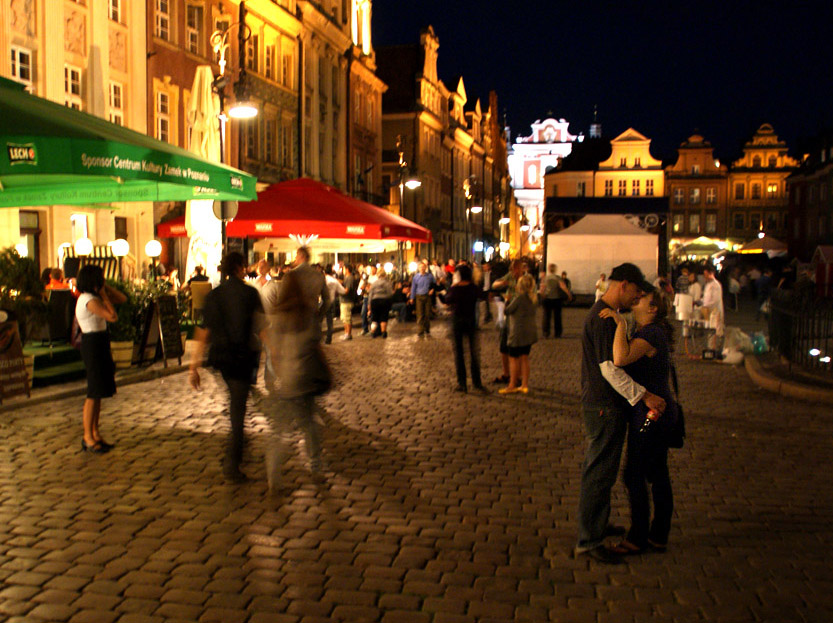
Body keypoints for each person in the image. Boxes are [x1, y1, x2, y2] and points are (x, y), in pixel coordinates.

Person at [576, 262, 666, 564]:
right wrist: (644, 396)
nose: (635, 300)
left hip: (603, 403)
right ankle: (590, 539)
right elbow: (610, 370)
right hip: (604, 404)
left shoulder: (606, 315)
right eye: (635, 293)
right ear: (623, 285)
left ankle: (596, 524)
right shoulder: (603, 319)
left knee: (603, 470)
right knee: (599, 472)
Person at [599, 288, 678, 554]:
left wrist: (620, 324)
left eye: (642, 298)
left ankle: (638, 536)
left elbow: (621, 358)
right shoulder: (652, 331)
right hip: (659, 410)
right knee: (657, 474)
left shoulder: (651, 333)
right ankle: (659, 535)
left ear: (653, 308)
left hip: (651, 414)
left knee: (635, 474)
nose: (637, 298)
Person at [189, 252, 268, 483]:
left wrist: (193, 367)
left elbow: (203, 332)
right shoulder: (249, 293)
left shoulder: (214, 296)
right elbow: (262, 328)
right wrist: (278, 354)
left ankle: (237, 450)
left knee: (237, 402)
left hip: (221, 359)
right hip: (242, 358)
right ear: (240, 268)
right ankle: (232, 463)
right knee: (237, 412)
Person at [271, 246, 331, 479]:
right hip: (308, 358)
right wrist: (318, 315)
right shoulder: (318, 277)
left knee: (281, 423)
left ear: (300, 256)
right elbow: (327, 300)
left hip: (288, 374)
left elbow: (274, 346)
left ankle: (274, 467)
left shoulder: (290, 279)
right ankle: (315, 461)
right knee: (308, 418)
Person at [75, 264, 127, 454]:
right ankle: (87, 436)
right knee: (93, 391)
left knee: (99, 391)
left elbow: (122, 298)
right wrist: (104, 295)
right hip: (92, 344)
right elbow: (112, 316)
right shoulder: (88, 300)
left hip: (100, 341)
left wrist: (106, 289)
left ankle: (95, 433)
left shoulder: (92, 296)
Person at [441, 264, 487, 394]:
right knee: (473, 353)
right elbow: (482, 295)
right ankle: (476, 382)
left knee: (459, 354)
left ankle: (462, 383)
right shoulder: (473, 288)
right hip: (471, 322)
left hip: (457, 322)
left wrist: (444, 292)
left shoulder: (455, 289)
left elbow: (446, 300)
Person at [499, 274, 538, 394]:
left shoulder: (519, 298)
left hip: (517, 333)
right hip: (529, 333)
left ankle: (512, 385)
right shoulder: (533, 298)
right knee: (525, 358)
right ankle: (524, 385)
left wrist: (506, 301)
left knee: (513, 359)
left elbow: (507, 310)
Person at [491, 260, 524, 384]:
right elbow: (495, 285)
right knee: (503, 345)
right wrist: (503, 283)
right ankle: (506, 374)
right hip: (508, 314)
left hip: (519, 317)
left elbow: (531, 297)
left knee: (517, 348)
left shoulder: (526, 279)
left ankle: (518, 377)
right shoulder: (509, 276)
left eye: (516, 269)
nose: (514, 272)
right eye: (512, 269)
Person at [540, 263, 572, 338]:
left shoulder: (545, 278)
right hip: (556, 299)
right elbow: (563, 287)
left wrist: (542, 295)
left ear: (549, 269)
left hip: (547, 299)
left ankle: (546, 332)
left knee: (546, 316)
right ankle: (557, 333)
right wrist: (569, 295)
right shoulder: (558, 278)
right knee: (557, 317)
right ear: (555, 270)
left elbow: (542, 288)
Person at [700, 265, 724, 350]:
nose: (705, 276)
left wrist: (706, 305)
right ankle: (710, 349)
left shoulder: (716, 285)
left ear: (711, 273)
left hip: (715, 311)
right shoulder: (708, 285)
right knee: (711, 331)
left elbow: (715, 300)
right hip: (709, 311)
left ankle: (715, 349)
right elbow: (706, 298)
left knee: (716, 330)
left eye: (706, 274)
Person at [409, 261, 435, 337]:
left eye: (423, 267)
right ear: (418, 268)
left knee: (427, 313)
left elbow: (434, 284)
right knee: (420, 314)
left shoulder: (430, 276)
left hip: (427, 296)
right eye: (420, 267)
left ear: (425, 268)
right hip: (419, 296)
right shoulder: (416, 277)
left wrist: (432, 289)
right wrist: (412, 297)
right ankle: (420, 330)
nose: (422, 268)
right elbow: (413, 287)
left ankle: (427, 328)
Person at [368, 267, 394, 338]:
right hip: (384, 301)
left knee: (374, 318)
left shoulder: (374, 283)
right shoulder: (387, 283)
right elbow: (390, 293)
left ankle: (373, 332)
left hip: (374, 301)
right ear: (384, 275)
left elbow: (370, 294)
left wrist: (369, 304)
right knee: (383, 317)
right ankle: (383, 332)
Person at [323, 265, 346, 344]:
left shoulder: (323, 280)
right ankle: (328, 338)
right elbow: (342, 291)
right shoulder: (334, 281)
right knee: (330, 321)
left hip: (322, 301)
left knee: (318, 320)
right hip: (331, 302)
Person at [339, 264, 358, 341]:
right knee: (344, 318)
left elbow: (347, 290)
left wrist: (339, 289)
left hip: (347, 301)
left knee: (347, 318)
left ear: (347, 269)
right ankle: (346, 333)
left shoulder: (350, 278)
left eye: (343, 269)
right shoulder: (347, 278)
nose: (343, 270)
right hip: (344, 301)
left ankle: (348, 334)